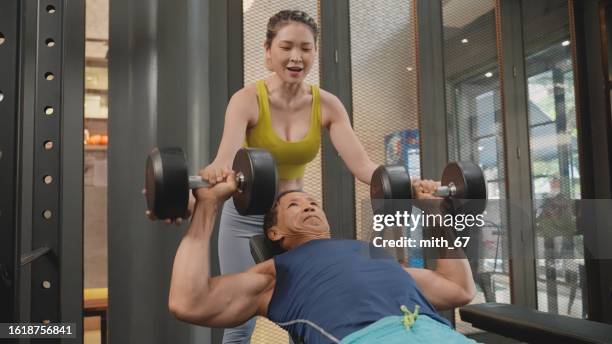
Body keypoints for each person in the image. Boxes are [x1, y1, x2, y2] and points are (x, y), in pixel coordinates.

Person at [199, 9, 378, 342]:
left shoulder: (327, 105)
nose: (297, 57)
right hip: (246, 218)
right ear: (268, 52)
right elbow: (225, 160)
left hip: (294, 218)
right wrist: (214, 171)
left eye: (306, 48)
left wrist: (407, 180)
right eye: (286, 47)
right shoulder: (246, 100)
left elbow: (363, 166)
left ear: (314, 53)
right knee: (241, 318)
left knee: (310, 307)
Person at [168, 172, 477, 344]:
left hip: (438, 334)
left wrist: (434, 213)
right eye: (293, 205)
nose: (309, 206)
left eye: (313, 202)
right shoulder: (276, 275)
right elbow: (189, 301)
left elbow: (458, 288)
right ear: (274, 233)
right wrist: (207, 207)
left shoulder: (371, 255)